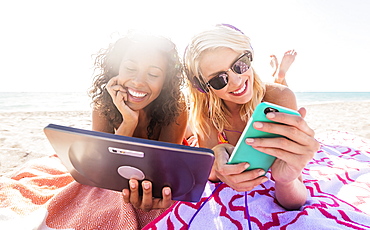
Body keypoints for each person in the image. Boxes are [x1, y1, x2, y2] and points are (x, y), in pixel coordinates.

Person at [37, 31, 188, 229]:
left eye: (153, 74)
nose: (138, 82)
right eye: (130, 68)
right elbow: (104, 168)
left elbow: (164, 169)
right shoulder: (103, 106)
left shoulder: (175, 107)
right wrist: (128, 121)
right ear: (116, 69)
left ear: (166, 81)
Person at [183, 24, 320, 210]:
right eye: (218, 79)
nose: (237, 81)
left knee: (279, 86)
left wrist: (286, 181)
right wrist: (216, 160)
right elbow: (212, 174)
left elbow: (295, 201)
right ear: (203, 87)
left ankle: (279, 75)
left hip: (271, 95)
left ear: (250, 56)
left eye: (240, 64)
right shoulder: (207, 112)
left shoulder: (280, 98)